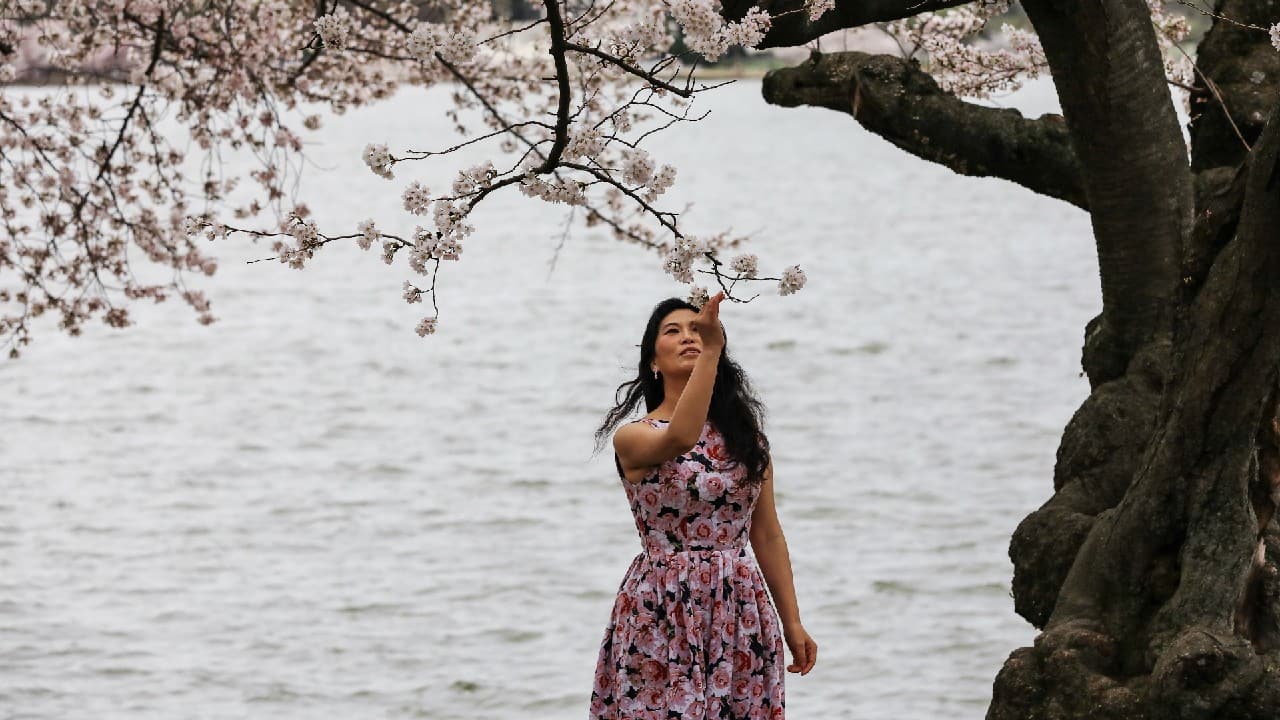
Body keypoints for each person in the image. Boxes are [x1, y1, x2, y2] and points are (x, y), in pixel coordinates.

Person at [589, 292, 817, 719]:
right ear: (653, 361)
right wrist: (712, 350)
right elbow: (680, 438)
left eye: (697, 330)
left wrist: (793, 622)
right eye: (672, 332)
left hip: (740, 603)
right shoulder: (635, 436)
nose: (688, 337)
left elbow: (766, 532)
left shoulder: (747, 440)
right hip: (663, 603)